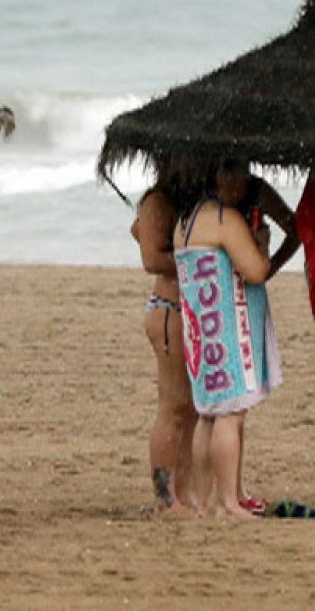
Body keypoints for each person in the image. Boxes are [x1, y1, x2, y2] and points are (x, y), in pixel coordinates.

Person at [173, 161, 280, 518]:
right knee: (230, 414)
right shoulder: (223, 219)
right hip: (227, 324)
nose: (242, 180)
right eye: (234, 171)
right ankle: (228, 502)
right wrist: (264, 244)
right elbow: (255, 270)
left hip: (201, 330)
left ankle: (205, 501)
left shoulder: (185, 220)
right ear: (216, 175)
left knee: (208, 413)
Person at [131, 182, 197, 514]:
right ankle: (165, 498)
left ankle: (183, 492)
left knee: (192, 410)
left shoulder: (191, 196)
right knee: (173, 407)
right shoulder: (159, 199)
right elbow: (151, 258)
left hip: (192, 308)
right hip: (170, 308)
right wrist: (199, 258)